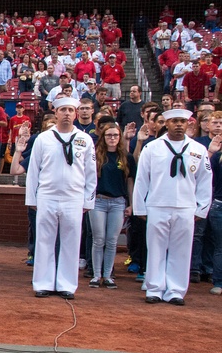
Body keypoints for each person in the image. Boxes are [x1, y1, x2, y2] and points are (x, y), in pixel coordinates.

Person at [133, 108, 212, 305]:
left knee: (182, 250)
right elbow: (142, 179)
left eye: (182, 122)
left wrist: (202, 208)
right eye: (174, 121)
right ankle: (154, 288)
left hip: (186, 206)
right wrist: (140, 207)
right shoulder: (152, 148)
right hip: (157, 204)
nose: (178, 125)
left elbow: (204, 181)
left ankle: (176, 290)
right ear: (166, 124)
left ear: (189, 124)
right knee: (156, 248)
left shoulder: (198, 150)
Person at [25, 97, 97, 299]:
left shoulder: (85, 140)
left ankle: (67, 284)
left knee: (71, 242)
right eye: (62, 109)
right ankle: (43, 283)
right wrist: (32, 199)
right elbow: (33, 171)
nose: (66, 113)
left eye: (70, 110)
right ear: (55, 113)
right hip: (47, 195)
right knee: (44, 241)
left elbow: (91, 173)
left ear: (75, 113)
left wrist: (87, 201)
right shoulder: (43, 138)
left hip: (73, 197)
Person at [89, 123, 135, 289]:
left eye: (115, 135)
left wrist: (131, 203)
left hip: (118, 202)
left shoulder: (126, 157)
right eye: (109, 135)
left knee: (112, 240)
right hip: (98, 201)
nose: (112, 138)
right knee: (98, 239)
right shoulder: (96, 156)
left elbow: (129, 180)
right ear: (103, 137)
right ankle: (96, 275)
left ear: (120, 137)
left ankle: (107, 276)